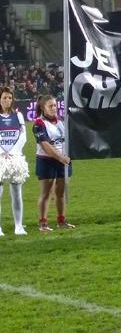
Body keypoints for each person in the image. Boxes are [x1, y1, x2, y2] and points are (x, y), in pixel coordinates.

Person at [31, 95, 73, 231]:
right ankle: (43, 223)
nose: (54, 108)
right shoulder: (38, 124)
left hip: (63, 160)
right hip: (46, 160)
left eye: (55, 105)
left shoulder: (61, 120)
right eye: (50, 106)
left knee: (61, 192)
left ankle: (62, 221)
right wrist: (61, 157)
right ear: (43, 108)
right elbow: (45, 145)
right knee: (46, 193)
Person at [0, 86, 29, 235]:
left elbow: (23, 136)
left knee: (17, 193)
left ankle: (19, 226)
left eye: (9, 98)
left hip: (15, 157)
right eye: (4, 97)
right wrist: (2, 152)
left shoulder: (18, 116)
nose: (7, 100)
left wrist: (11, 152)